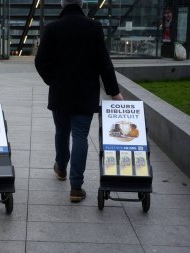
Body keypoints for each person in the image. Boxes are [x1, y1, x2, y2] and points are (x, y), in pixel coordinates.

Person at [35, 0, 123, 203]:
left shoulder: (52, 28)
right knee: (80, 137)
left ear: (61, 4)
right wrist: (114, 92)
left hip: (60, 92)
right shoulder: (93, 27)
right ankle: (76, 187)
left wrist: (52, 79)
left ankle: (61, 168)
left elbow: (40, 61)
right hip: (86, 93)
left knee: (62, 131)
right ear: (81, 3)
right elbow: (104, 63)